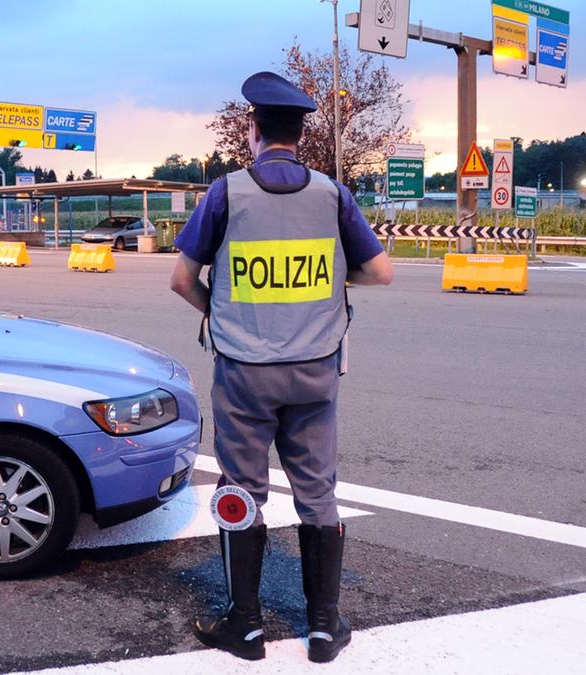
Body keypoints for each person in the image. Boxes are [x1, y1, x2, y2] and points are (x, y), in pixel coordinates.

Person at [170, 71, 393, 663]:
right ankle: (323, 629)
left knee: (242, 490)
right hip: (315, 368)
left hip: (244, 371)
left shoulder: (226, 194)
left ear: (253, 131)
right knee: (317, 492)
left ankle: (245, 628)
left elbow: (181, 279)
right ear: (300, 135)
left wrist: (222, 312)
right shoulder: (333, 195)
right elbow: (380, 272)